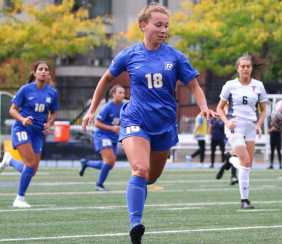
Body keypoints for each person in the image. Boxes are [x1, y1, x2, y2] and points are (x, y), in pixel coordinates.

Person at [81, 3, 218, 243]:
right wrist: (92, 110)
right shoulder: (129, 55)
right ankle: (135, 223)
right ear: (143, 26)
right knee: (140, 170)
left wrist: (204, 107)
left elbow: (194, 86)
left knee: (151, 178)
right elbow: (105, 79)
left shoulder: (175, 57)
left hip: (164, 125)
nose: (164, 30)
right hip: (135, 120)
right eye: (158, 25)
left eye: (166, 26)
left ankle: (137, 209)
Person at [0, 61, 58, 208]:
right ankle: (19, 199)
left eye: (46, 70)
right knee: (30, 164)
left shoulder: (52, 92)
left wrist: (49, 124)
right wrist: (23, 119)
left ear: (48, 74)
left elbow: (53, 112)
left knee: (31, 170)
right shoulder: (25, 89)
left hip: (38, 133)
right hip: (22, 129)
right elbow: (13, 109)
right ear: (34, 73)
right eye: (40, 69)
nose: (43, 72)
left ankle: (9, 160)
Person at [216, 53, 268, 209]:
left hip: (251, 127)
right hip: (235, 126)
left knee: (248, 165)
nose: (246, 69)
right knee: (245, 161)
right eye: (243, 66)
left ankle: (229, 159)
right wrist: (227, 122)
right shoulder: (230, 85)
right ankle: (244, 201)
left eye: (248, 66)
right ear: (238, 69)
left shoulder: (259, 86)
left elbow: (263, 111)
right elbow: (219, 108)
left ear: (252, 69)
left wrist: (259, 125)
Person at [79, 85, 125, 191]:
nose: (122, 95)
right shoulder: (108, 106)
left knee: (110, 164)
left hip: (113, 137)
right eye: (120, 92)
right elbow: (97, 123)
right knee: (109, 161)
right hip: (103, 135)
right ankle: (99, 185)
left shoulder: (123, 107)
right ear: (113, 94)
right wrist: (112, 128)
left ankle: (86, 163)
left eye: (123, 93)